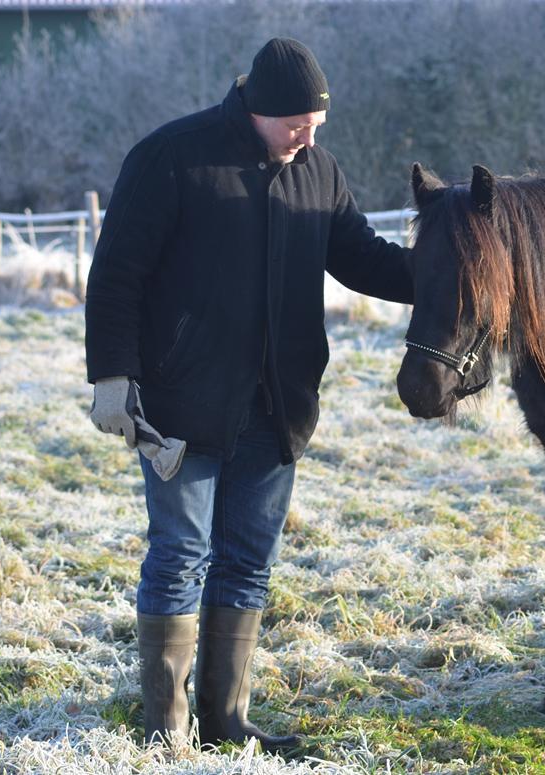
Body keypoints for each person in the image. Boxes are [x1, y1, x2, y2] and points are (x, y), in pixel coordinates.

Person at [85, 38, 413, 752]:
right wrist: (113, 374)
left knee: (247, 561)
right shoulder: (174, 157)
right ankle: (165, 733)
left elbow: (361, 257)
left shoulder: (318, 172)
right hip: (181, 402)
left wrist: (449, 278)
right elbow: (116, 273)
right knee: (180, 555)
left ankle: (227, 724)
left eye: (317, 123)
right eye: (297, 121)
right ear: (257, 108)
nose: (309, 134)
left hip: (277, 405)